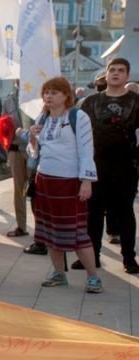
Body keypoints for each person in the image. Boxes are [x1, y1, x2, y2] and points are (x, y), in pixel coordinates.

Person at [27, 76, 101, 293]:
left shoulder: (79, 117)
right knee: (49, 231)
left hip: (69, 182)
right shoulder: (43, 117)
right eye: (46, 92)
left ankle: (93, 277)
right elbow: (35, 152)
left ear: (66, 95)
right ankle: (59, 273)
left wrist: (86, 181)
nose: (48, 96)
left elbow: (87, 151)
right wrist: (32, 138)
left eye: (54, 92)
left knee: (77, 233)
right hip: (45, 181)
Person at [78, 58, 139, 274]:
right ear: (106, 74)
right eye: (112, 70)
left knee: (125, 213)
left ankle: (129, 258)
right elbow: (79, 133)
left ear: (127, 76)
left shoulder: (136, 101)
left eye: (121, 70)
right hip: (96, 164)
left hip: (125, 165)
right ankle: (91, 256)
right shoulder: (91, 102)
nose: (115, 73)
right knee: (93, 213)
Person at [3, 81, 34, 241]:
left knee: (35, 188)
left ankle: (42, 228)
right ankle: (21, 226)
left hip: (33, 150)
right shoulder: (9, 100)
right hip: (15, 150)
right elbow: (3, 125)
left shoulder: (37, 97)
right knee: (19, 189)